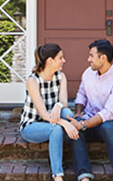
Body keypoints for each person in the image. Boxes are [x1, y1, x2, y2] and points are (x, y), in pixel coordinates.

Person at [67, 39, 113, 181]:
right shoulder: (88, 73)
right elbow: (81, 94)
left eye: (91, 56)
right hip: (87, 119)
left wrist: (83, 124)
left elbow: (108, 113)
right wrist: (77, 114)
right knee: (74, 131)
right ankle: (84, 176)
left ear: (103, 58)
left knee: (107, 128)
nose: (89, 60)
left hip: (106, 123)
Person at [19, 43, 80, 181]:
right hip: (32, 125)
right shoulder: (32, 80)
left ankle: (79, 142)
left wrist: (58, 106)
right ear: (50, 61)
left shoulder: (61, 77)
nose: (64, 61)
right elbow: (44, 115)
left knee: (67, 112)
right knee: (56, 129)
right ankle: (58, 176)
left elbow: (64, 102)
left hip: (52, 119)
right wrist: (65, 124)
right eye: (61, 58)